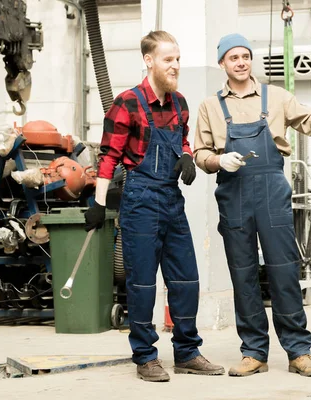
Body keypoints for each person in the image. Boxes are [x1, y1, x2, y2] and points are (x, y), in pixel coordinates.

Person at [193, 33, 311, 377]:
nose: (241, 62)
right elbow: (199, 152)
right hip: (233, 194)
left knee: (284, 270)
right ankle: (254, 352)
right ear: (222, 64)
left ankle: (299, 352)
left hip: (272, 192)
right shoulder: (210, 106)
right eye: (233, 57)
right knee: (243, 274)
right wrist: (219, 161)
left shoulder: (276, 97)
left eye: (246, 56)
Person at [84, 30, 223, 382]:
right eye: (168, 59)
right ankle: (145, 356)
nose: (175, 66)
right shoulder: (127, 103)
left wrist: (188, 158)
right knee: (143, 284)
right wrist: (98, 204)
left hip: (171, 200)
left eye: (177, 59)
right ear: (149, 61)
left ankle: (187, 352)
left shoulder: (180, 104)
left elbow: (185, 140)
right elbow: (109, 157)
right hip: (140, 201)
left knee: (186, 280)